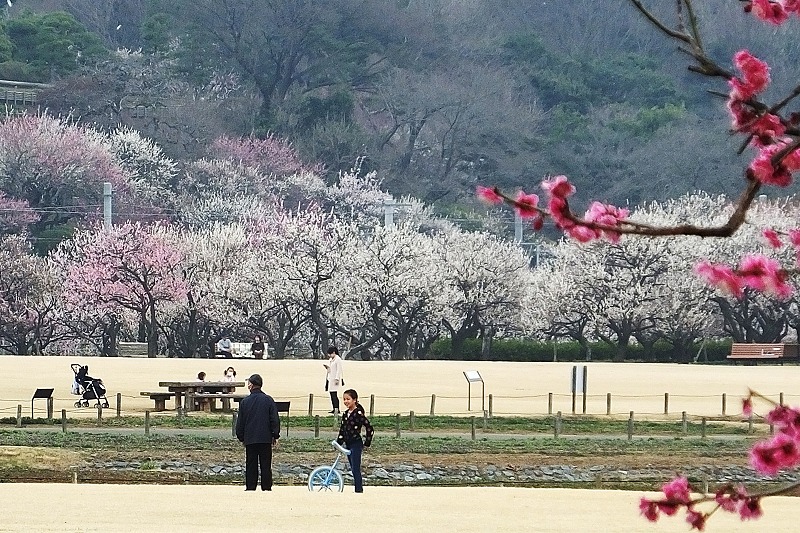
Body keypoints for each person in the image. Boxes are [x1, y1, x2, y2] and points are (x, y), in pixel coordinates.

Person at [235, 374, 281, 491]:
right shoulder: (268, 400)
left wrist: (241, 437)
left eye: (249, 383)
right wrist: (275, 435)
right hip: (265, 438)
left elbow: (241, 422)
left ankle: (251, 487)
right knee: (266, 464)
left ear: (251, 385)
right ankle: (266, 487)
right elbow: (274, 419)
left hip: (250, 438)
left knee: (251, 463)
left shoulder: (245, 402)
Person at [336, 389, 374, 493]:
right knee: (352, 468)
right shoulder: (345, 414)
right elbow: (342, 429)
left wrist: (367, 442)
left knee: (356, 468)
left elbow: (369, 428)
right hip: (348, 444)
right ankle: (357, 489)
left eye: (348, 399)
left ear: (355, 400)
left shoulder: (358, 413)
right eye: (344, 399)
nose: (346, 401)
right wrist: (338, 442)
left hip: (356, 443)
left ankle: (359, 490)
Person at [323, 346, 343, 415]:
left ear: (334, 353)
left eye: (330, 354)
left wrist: (337, 378)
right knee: (331, 394)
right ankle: (334, 408)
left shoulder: (338, 359)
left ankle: (337, 409)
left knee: (334, 394)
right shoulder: (331, 360)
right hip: (330, 378)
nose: (329, 355)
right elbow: (331, 369)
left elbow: (339, 370)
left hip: (335, 379)